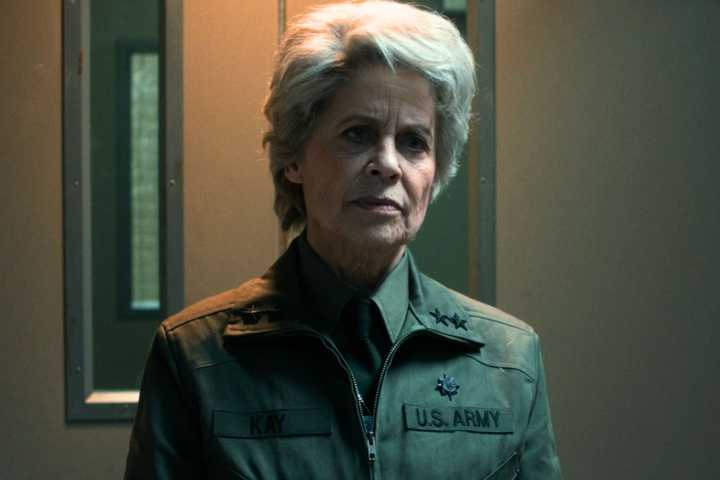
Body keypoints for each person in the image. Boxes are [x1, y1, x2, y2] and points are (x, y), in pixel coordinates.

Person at [124, 1, 563, 478]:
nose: (388, 164)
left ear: (436, 171)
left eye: (414, 142)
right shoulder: (196, 357)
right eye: (358, 134)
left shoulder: (508, 361)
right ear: (294, 156)